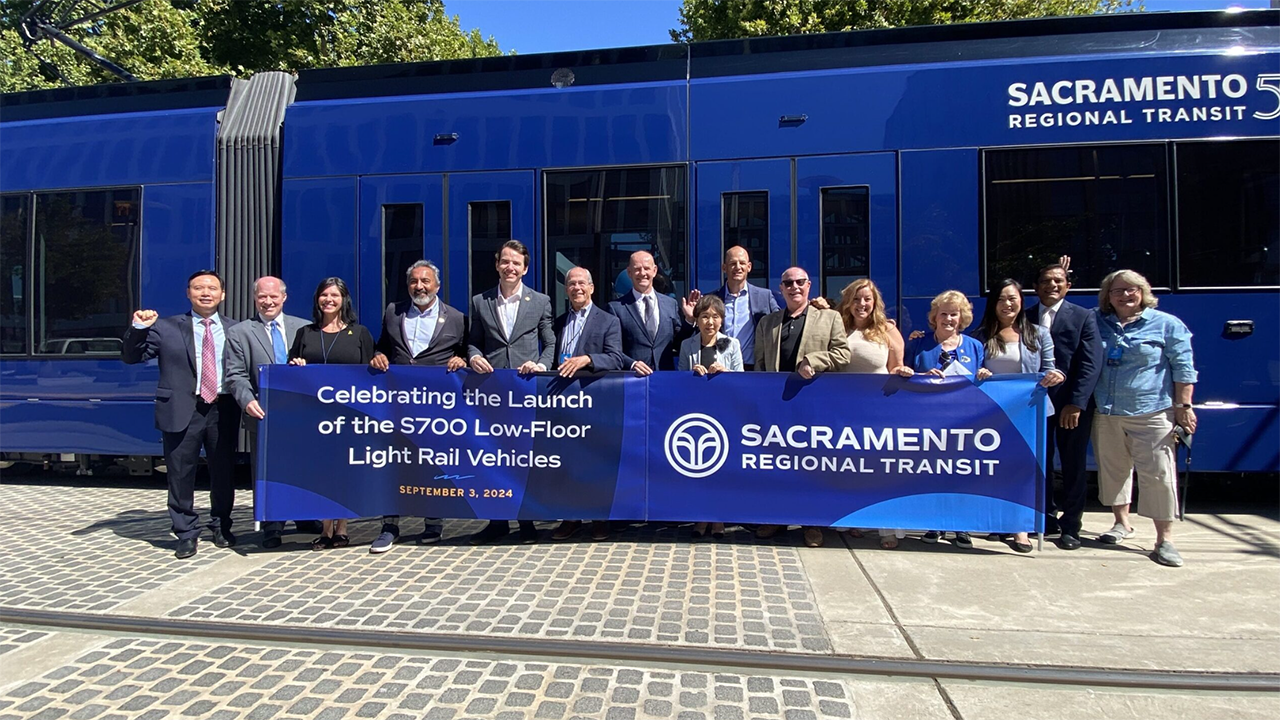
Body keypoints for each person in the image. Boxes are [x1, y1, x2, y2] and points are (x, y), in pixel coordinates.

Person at [123, 270, 240, 559]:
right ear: (188, 293)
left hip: (223, 408)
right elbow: (132, 356)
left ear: (222, 294)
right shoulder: (166, 327)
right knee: (179, 473)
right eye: (198, 288)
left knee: (223, 472)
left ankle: (221, 525)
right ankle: (186, 532)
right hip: (181, 408)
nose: (205, 293)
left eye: (212, 288)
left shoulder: (236, 329)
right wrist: (138, 328)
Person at [1091, 269, 1197, 568]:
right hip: (1106, 411)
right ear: (1107, 296)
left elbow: (1184, 368)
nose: (1125, 295)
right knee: (1114, 471)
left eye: (1131, 289)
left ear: (1143, 292)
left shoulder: (1166, 324)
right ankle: (1121, 523)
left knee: (1159, 476)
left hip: (1152, 412)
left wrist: (1184, 406)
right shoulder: (1096, 321)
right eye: (1117, 290)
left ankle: (1164, 540)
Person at [367, 260, 468, 553]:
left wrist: (461, 359)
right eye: (414, 281)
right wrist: (378, 355)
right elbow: (383, 345)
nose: (419, 286)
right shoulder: (393, 311)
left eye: (425, 281)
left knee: (433, 460)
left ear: (437, 285)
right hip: (398, 403)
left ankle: (433, 522)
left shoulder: (457, 318)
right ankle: (389, 525)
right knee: (393, 461)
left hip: (436, 405)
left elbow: (464, 351)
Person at [752, 267, 851, 548]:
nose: (794, 287)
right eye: (788, 283)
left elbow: (843, 354)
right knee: (776, 465)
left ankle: (812, 523)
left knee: (811, 466)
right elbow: (760, 364)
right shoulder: (767, 323)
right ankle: (776, 517)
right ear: (780, 289)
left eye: (799, 282)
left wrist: (813, 361)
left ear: (809, 286)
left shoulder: (829, 318)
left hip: (813, 405)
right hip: (778, 405)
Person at [466, 239, 556, 545]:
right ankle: (497, 521)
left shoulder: (540, 301)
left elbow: (550, 342)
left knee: (523, 456)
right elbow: (474, 341)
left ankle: (527, 521)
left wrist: (541, 365)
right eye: (505, 261)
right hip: (491, 390)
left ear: (525, 268)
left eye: (516, 263)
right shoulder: (480, 301)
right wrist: (474, 357)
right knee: (492, 455)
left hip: (524, 389)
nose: (510, 267)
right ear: (497, 265)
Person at [223, 276, 321, 549]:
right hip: (263, 414)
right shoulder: (240, 332)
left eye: (273, 296)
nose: (268, 302)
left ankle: (304, 515)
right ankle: (272, 524)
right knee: (268, 472)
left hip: (300, 415)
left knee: (303, 466)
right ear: (255, 299)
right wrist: (247, 401)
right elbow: (235, 375)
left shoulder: (304, 328)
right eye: (262, 297)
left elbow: (317, 370)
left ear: (284, 298)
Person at [972, 279, 1065, 554]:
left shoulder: (1038, 334)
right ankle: (999, 521)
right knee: (996, 468)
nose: (1007, 304)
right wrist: (980, 373)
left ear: (1021, 301)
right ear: (993, 303)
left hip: (1029, 412)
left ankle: (1020, 529)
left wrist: (1056, 376)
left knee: (1024, 469)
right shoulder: (981, 336)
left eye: (1012, 298)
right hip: (993, 414)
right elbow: (971, 368)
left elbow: (1051, 368)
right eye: (1001, 299)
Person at [288, 277, 377, 550]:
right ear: (317, 299)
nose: (329, 300)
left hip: (348, 416)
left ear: (344, 299)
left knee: (344, 470)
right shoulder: (305, 333)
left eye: (335, 295)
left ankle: (342, 528)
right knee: (322, 471)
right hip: (314, 416)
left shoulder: (359, 333)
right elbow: (290, 368)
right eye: (324, 294)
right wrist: (296, 364)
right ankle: (326, 528)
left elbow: (370, 376)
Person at [894, 290, 985, 549]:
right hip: (928, 423)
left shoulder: (975, 346)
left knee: (962, 474)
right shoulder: (919, 344)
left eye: (954, 314)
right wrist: (920, 376)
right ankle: (934, 523)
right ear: (934, 317)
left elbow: (982, 382)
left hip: (965, 423)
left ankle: (961, 526)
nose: (948, 319)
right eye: (943, 314)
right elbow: (904, 376)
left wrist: (984, 374)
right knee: (932, 473)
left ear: (962, 317)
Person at [1026, 260, 1102, 551]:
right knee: (1038, 464)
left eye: (1058, 281)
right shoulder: (1024, 316)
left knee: (1073, 465)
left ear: (1068, 286)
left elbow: (1090, 364)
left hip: (1070, 406)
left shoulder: (1083, 317)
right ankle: (1044, 518)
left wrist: (1076, 403)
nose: (1052, 285)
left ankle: (1071, 526)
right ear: (1036, 287)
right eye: (1046, 281)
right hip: (1034, 405)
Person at [547, 267, 627, 542]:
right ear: (566, 289)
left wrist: (587, 360)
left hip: (594, 401)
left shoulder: (608, 321)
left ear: (591, 288)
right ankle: (571, 517)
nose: (577, 288)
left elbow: (616, 358)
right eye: (571, 284)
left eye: (582, 283)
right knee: (568, 461)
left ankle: (599, 519)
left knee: (596, 461)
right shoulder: (558, 322)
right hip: (563, 401)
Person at [833, 279, 906, 549]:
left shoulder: (887, 329)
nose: (861, 304)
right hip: (845, 410)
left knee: (881, 470)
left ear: (875, 302)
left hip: (878, 410)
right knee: (849, 468)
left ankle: (887, 529)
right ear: (848, 302)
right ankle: (854, 519)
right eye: (856, 299)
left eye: (867, 299)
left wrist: (902, 372)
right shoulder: (839, 327)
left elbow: (896, 366)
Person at [677, 294, 744, 540]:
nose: (710, 322)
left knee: (722, 468)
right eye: (705, 316)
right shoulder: (687, 345)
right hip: (696, 415)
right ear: (697, 320)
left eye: (715, 317)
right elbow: (678, 380)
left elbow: (742, 379)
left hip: (724, 414)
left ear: (722, 320)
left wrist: (726, 373)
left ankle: (718, 517)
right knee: (700, 468)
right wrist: (691, 374)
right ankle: (701, 515)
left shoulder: (731, 344)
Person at [607, 250, 694, 376]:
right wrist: (632, 364)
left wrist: (689, 320)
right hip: (632, 378)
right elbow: (611, 348)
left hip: (664, 377)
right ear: (629, 272)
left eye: (646, 268)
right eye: (637, 269)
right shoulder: (616, 308)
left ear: (654, 271)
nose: (642, 273)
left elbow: (678, 344)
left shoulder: (670, 304)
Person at [712, 246, 779, 370]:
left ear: (749, 267)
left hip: (753, 368)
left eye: (742, 263)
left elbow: (782, 320)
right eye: (732, 263)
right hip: (720, 367)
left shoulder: (765, 296)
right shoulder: (712, 299)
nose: (738, 267)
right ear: (724, 268)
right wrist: (691, 318)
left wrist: (809, 306)